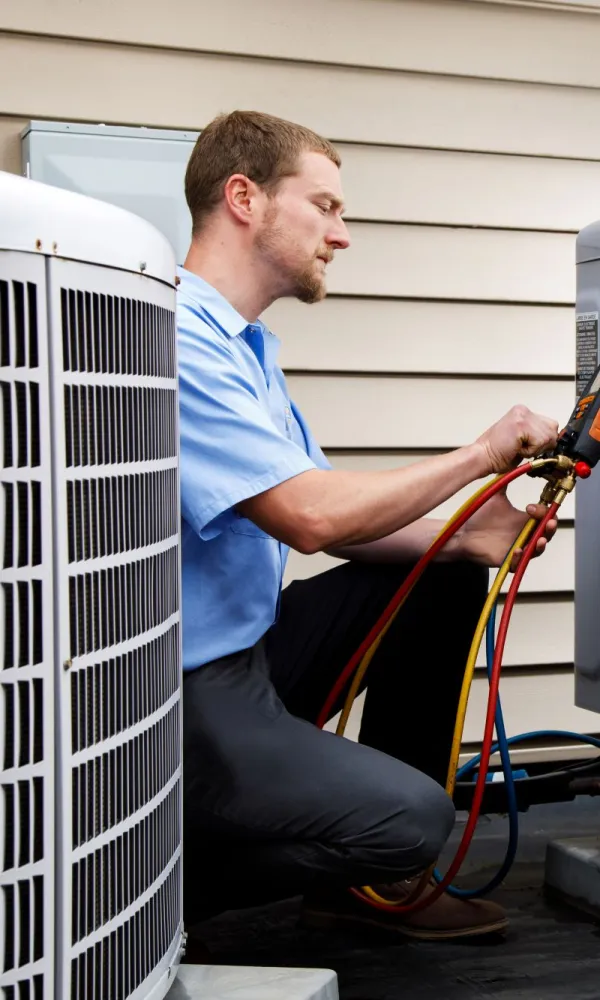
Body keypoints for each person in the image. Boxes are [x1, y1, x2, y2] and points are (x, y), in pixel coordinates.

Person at [177, 110, 559, 943]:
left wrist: (462, 539)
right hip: (186, 697)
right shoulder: (176, 339)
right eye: (326, 207)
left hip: (254, 650)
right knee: (411, 819)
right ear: (244, 198)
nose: (341, 235)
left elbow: (334, 514)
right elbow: (310, 518)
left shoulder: (248, 348)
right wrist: (483, 452)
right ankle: (157, 877)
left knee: (445, 578)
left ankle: (376, 886)